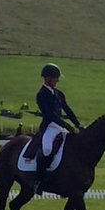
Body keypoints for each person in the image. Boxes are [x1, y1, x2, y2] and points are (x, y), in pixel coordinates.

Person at [22, 63, 82, 192]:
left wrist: (77, 124)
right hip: (49, 126)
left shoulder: (59, 94)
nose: (58, 80)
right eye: (56, 78)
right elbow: (49, 115)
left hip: (60, 126)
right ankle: (38, 180)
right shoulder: (41, 95)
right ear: (48, 79)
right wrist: (67, 126)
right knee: (48, 149)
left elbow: (68, 110)